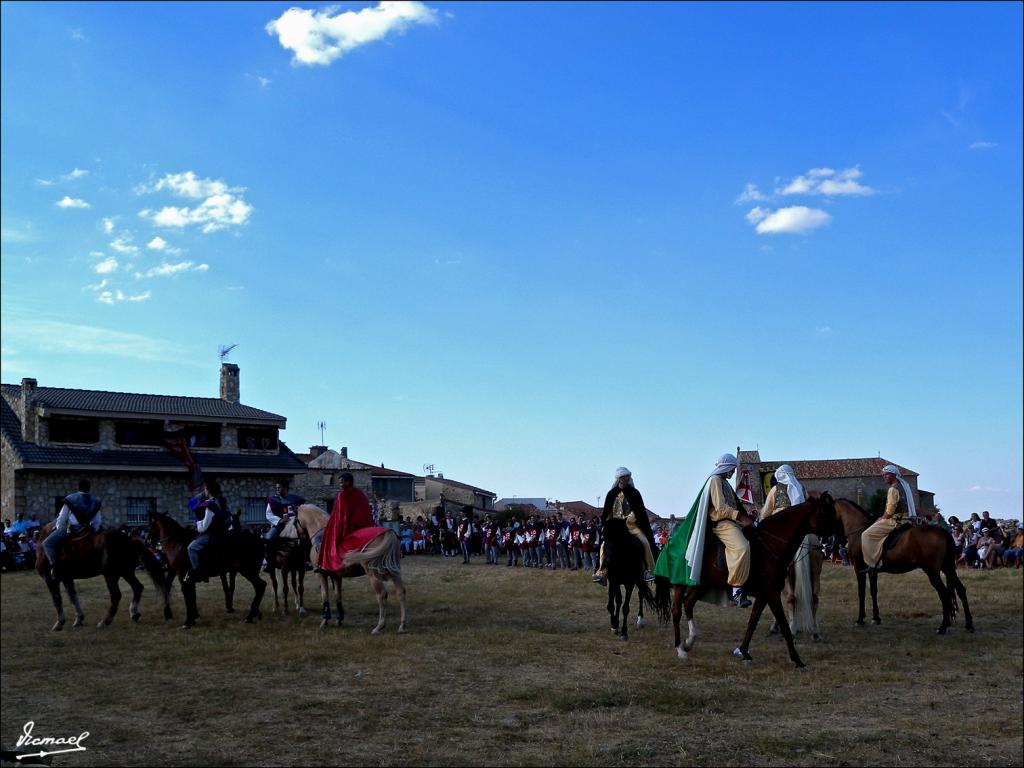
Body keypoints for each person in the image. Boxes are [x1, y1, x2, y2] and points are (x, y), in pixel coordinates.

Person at [653, 453, 754, 607]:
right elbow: (720, 509)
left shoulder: (724, 483)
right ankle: (737, 590)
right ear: (726, 468)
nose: (733, 472)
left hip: (733, 523)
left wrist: (748, 517)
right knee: (742, 547)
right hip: (723, 524)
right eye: (732, 469)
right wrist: (740, 517)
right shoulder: (714, 481)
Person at [593, 467, 657, 585]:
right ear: (618, 478)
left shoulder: (635, 493)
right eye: (623, 476)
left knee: (645, 542)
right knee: (603, 545)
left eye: (627, 476)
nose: (626, 478)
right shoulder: (611, 493)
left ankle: (648, 570)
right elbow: (608, 512)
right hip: (615, 528)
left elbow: (639, 511)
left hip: (631, 526)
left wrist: (629, 519)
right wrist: (606, 525)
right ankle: (602, 572)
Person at [860, 464, 917, 574]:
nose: (884, 476)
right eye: (883, 475)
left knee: (866, 535)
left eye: (886, 474)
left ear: (893, 475)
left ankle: (873, 564)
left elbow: (890, 511)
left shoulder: (893, 489)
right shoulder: (903, 486)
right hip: (906, 519)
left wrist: (880, 519)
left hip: (895, 521)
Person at [42, 479, 103, 580]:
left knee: (47, 543)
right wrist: (93, 529)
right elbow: (97, 520)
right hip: (88, 529)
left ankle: (55, 568)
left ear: (78, 487)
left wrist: (58, 528)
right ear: (89, 488)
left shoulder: (70, 498)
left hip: (73, 529)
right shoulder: (95, 501)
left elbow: (62, 517)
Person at [317, 472, 375, 572]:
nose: (340, 485)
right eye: (339, 483)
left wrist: (333, 528)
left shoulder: (343, 495)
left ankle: (325, 565)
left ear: (348, 482)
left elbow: (340, 516)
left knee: (326, 537)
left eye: (342, 482)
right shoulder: (359, 493)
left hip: (350, 526)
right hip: (364, 525)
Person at [184, 479, 229, 583]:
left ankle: (198, 573)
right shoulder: (219, 501)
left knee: (191, 548)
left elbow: (203, 527)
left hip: (212, 535)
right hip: (221, 533)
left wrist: (197, 523)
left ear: (208, 490)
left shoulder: (210, 505)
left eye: (205, 489)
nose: (203, 491)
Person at [263, 479, 305, 572]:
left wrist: (295, 516)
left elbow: (301, 512)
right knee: (268, 539)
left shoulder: (296, 499)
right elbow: (268, 515)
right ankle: (269, 563)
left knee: (305, 538)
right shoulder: (273, 500)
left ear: (285, 488)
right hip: (278, 526)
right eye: (276, 488)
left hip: (293, 526)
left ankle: (306, 561)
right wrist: (280, 520)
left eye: (279, 487)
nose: (277, 489)